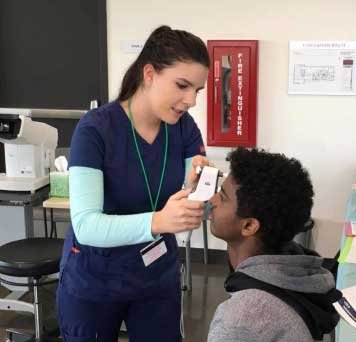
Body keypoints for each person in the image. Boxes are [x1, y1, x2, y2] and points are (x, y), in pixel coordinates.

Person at [57, 25, 210, 342]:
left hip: (156, 277)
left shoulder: (183, 128)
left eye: (197, 90)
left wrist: (199, 189)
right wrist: (158, 221)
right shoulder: (96, 130)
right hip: (95, 279)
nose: (191, 100)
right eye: (182, 86)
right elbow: (86, 225)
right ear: (150, 73)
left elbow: (191, 200)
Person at [207, 147, 341, 342]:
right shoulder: (299, 267)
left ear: (249, 225)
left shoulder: (239, 319)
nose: (212, 200)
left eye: (223, 197)